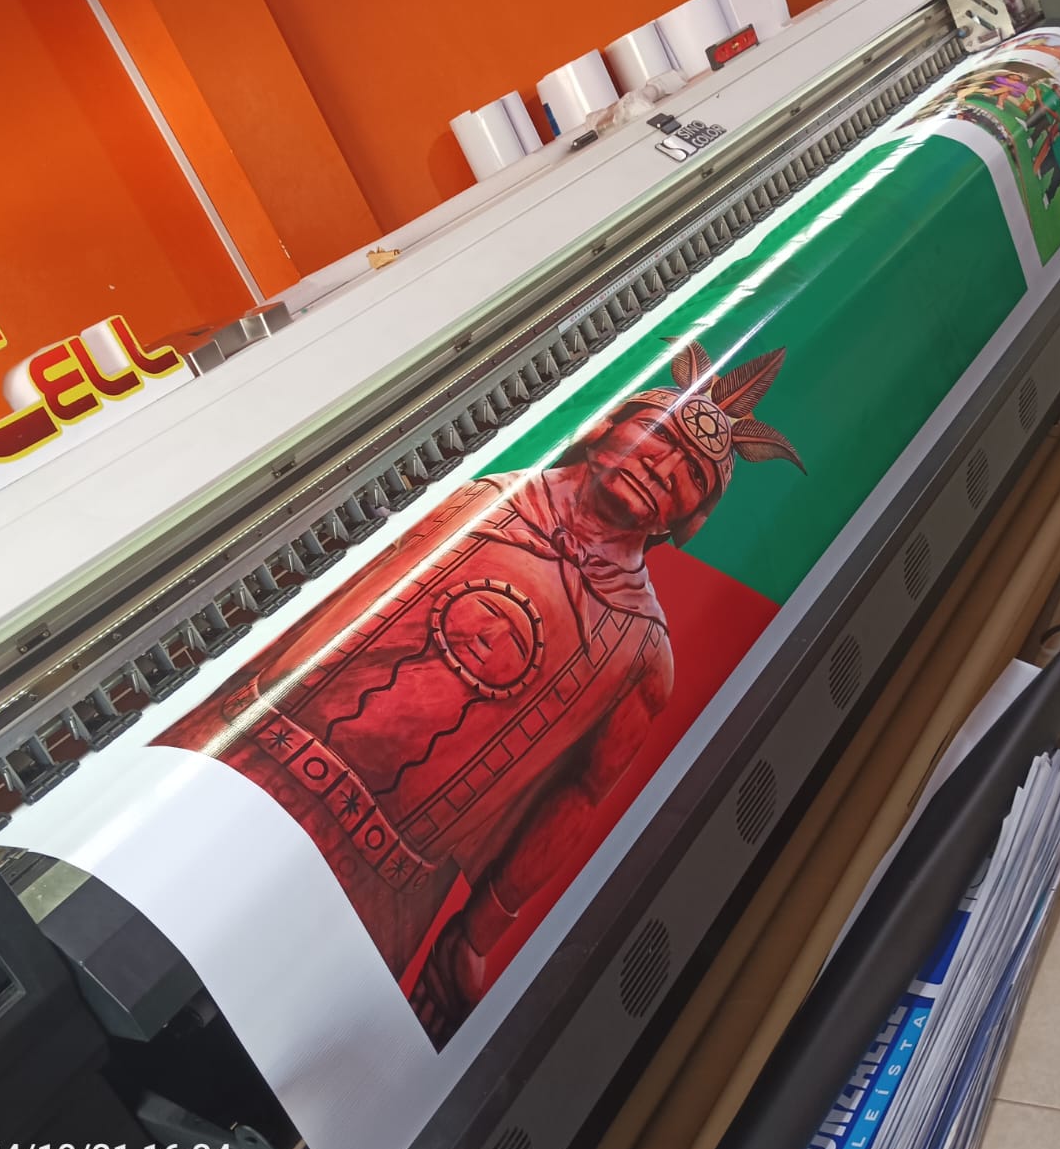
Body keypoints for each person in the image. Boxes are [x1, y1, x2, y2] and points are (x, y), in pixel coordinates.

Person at [158, 340, 803, 1047]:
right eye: (659, 435)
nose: (664, 467)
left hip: (378, 884)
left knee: (251, 1043)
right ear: (602, 429)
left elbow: (581, 796)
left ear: (690, 520)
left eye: (692, 475)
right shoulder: (472, 498)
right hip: (244, 769)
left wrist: (477, 933)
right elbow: (313, 599)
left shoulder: (642, 653)